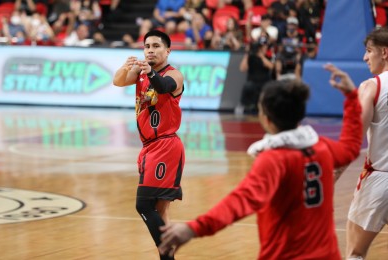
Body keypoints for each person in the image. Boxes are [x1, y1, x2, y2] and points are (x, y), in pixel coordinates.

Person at [158, 64, 363, 259]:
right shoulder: (321, 146)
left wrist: (195, 227)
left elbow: (240, 201)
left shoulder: (274, 160)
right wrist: (351, 97)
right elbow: (351, 148)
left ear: (266, 118)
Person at [113, 30, 185, 260]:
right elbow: (117, 81)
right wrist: (127, 67)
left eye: (156, 46)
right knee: (161, 209)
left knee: (143, 204)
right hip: (149, 147)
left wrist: (150, 71)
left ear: (168, 50)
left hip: (165, 145)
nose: (150, 50)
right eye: (147, 46)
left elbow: (163, 86)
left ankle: (167, 257)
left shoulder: (175, 74)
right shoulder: (141, 72)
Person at [344, 26, 388, 260]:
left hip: (379, 180)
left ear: (384, 52)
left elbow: (352, 141)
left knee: (355, 253)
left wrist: (331, 178)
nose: (364, 57)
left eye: (368, 51)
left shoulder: (371, 86)